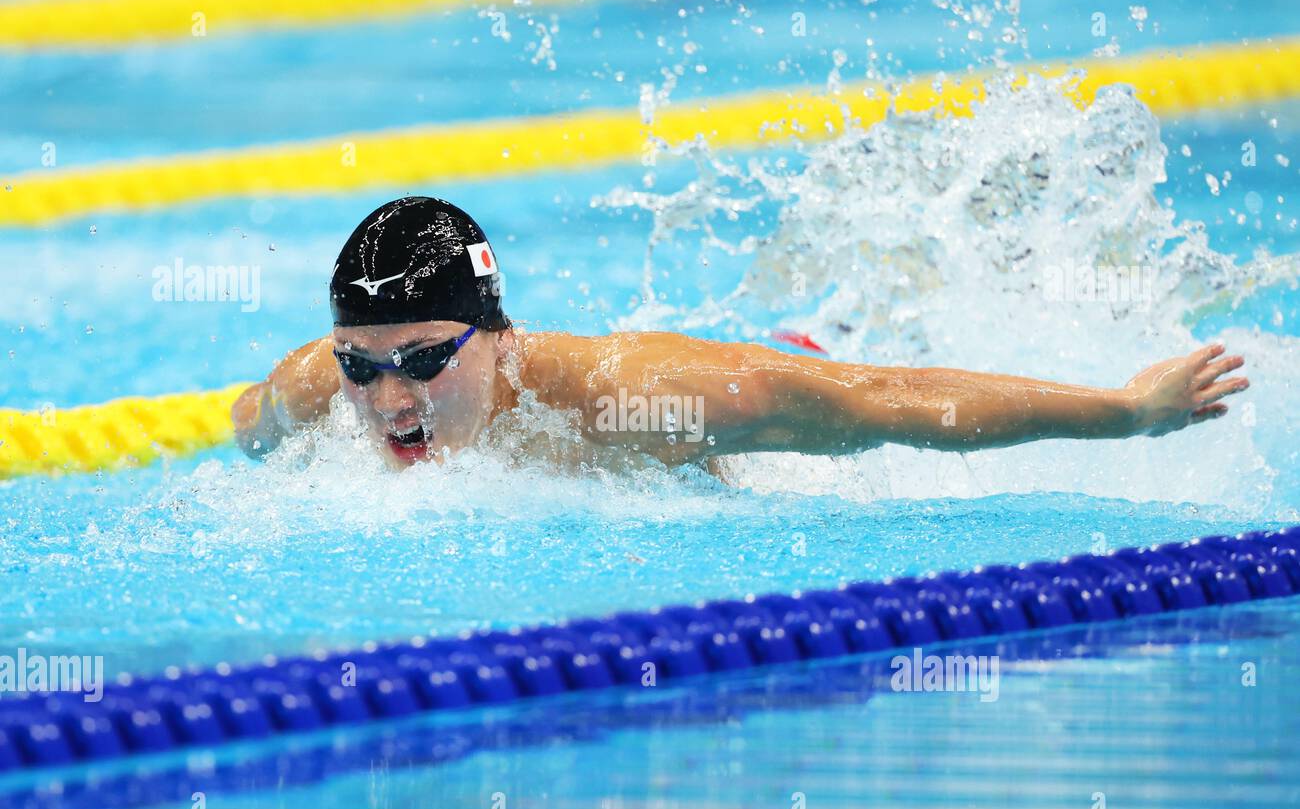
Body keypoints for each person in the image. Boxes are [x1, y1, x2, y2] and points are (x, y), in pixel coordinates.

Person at [232, 196, 1250, 470]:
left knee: (824, 361)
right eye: (364, 366)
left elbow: (883, 401)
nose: (390, 400)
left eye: (420, 360)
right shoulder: (324, 386)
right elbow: (250, 418)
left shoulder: (625, 395)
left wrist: (1126, 411)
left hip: (792, 415)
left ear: (501, 338)